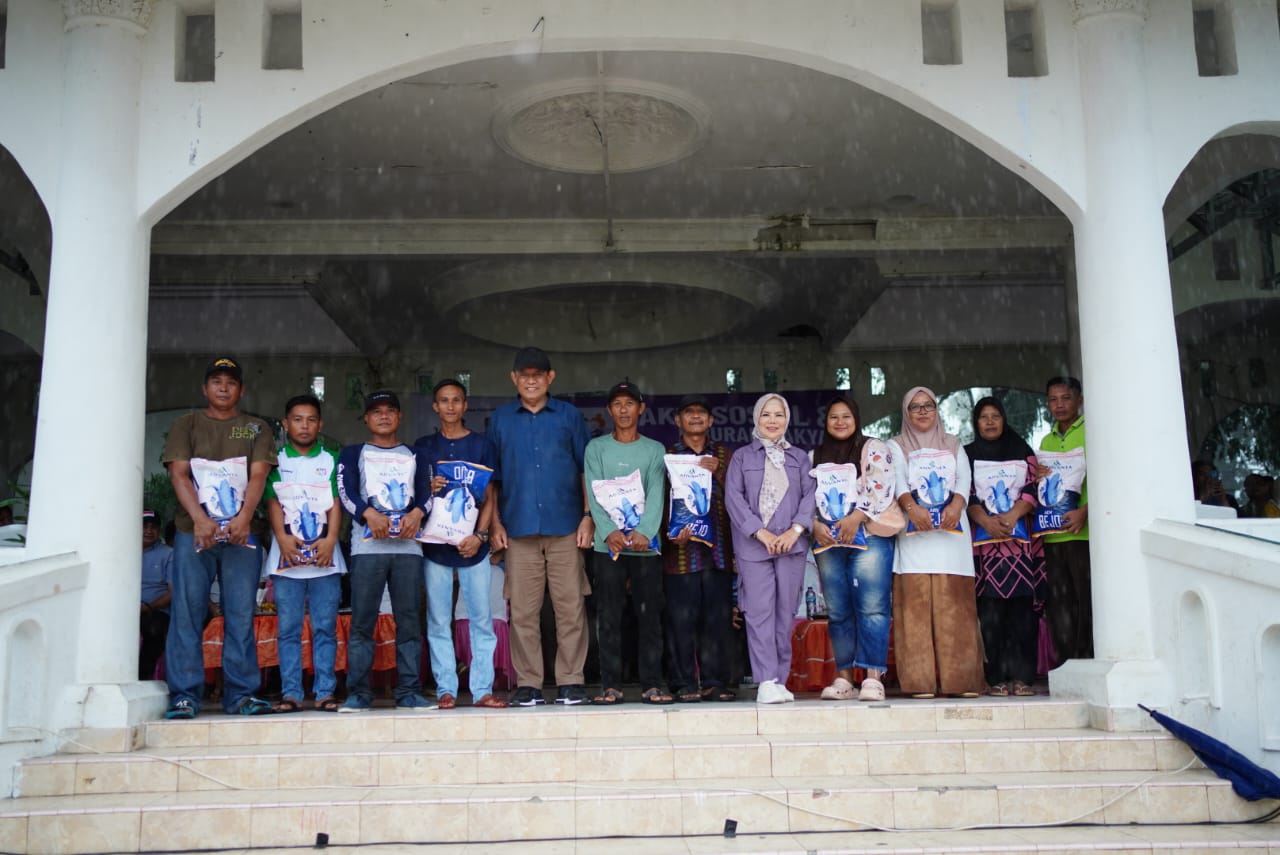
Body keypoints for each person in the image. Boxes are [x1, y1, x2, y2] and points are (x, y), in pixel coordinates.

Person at [162, 356, 276, 718]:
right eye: (216, 382)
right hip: (192, 533)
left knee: (240, 614)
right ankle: (184, 695)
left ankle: (241, 694)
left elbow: (258, 476)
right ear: (205, 388)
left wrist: (244, 519)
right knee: (187, 613)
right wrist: (199, 519)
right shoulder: (187, 424)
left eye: (230, 382)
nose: (223, 387)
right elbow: (178, 474)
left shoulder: (255, 428)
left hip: (242, 536)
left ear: (241, 389)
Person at [488, 347, 594, 707]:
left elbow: (585, 469)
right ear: (513, 378)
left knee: (570, 608)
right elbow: (493, 480)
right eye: (524, 374)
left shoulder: (568, 416)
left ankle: (571, 680)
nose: (531, 380)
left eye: (538, 374)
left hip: (565, 526)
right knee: (522, 611)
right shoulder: (501, 420)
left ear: (551, 378)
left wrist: (587, 515)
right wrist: (495, 524)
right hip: (517, 529)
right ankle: (530, 682)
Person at [414, 379, 507, 710]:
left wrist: (480, 536)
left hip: (473, 547)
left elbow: (489, 496)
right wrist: (428, 484)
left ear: (466, 406)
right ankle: (445, 689)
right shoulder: (423, 447)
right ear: (435, 407)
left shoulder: (482, 445)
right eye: (444, 400)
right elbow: (414, 496)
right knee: (438, 621)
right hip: (435, 546)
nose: (450, 406)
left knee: (481, 619)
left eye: (456, 400)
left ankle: (481, 689)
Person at [337, 390, 430, 712]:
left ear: (399, 416)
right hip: (367, 549)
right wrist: (367, 513)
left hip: (408, 550)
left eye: (391, 410)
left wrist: (418, 514)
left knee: (408, 623)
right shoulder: (352, 454)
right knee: (363, 622)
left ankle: (409, 692)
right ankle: (359, 694)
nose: (384, 416)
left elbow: (427, 494)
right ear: (366, 418)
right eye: (376, 411)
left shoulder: (416, 454)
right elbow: (345, 492)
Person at [888, 386, 984, 699]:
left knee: (955, 610)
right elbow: (898, 480)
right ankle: (919, 683)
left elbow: (964, 479)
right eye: (915, 407)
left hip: (951, 541)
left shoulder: (953, 444)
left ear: (936, 410)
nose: (923, 411)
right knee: (914, 613)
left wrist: (957, 505)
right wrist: (912, 509)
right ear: (906, 413)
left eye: (928, 405)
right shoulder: (896, 445)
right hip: (914, 540)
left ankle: (963, 680)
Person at [809, 396, 902, 703]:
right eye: (833, 416)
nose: (839, 422)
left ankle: (873, 677)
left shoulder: (873, 448)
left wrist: (855, 518)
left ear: (856, 418)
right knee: (838, 611)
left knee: (873, 607)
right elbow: (805, 498)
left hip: (869, 535)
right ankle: (845, 678)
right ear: (826, 421)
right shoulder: (815, 456)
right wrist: (813, 524)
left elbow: (882, 486)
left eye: (846, 416)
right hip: (829, 542)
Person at [725, 394, 815, 704]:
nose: (772, 420)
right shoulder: (742, 458)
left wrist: (796, 530)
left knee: (784, 614)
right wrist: (761, 533)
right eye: (766, 415)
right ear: (756, 419)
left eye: (779, 414)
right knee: (759, 613)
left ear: (787, 419)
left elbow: (809, 497)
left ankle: (780, 679)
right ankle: (765, 681)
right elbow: (733, 500)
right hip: (754, 547)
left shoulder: (800, 458)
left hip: (791, 546)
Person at [584, 381, 668, 705]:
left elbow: (657, 493)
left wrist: (645, 532)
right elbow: (593, 491)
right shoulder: (597, 450)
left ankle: (652, 683)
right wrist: (608, 532)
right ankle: (611, 685)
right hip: (609, 547)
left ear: (641, 408)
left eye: (629, 404)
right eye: (617, 404)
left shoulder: (654, 450)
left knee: (649, 616)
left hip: (646, 546)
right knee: (609, 616)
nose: (623, 409)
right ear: (609, 410)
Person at [263, 394, 346, 713]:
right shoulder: (275, 461)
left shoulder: (331, 459)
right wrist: (282, 538)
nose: (304, 425)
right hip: (287, 561)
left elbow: (336, 502)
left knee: (325, 627)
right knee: (288, 629)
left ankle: (325, 692)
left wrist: (331, 540)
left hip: (325, 560)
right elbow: (272, 501)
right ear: (286, 424)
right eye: (297, 419)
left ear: (320, 424)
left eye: (311, 419)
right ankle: (292, 693)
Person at [965, 396, 1045, 697]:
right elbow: (966, 493)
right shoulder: (968, 455)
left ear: (1004, 419)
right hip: (986, 552)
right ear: (976, 422)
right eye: (983, 417)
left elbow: (1034, 488)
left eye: (995, 416)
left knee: (1022, 615)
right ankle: (996, 677)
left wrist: (1012, 516)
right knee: (991, 615)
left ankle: (1023, 678)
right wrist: (986, 521)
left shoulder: (1022, 451)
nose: (989, 422)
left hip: (1020, 550)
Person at [662, 394, 737, 703]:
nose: (695, 417)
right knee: (680, 621)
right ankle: (682, 682)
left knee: (716, 621)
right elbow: (657, 501)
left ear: (711, 420)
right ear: (678, 420)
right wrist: (668, 533)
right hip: (678, 554)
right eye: (688, 412)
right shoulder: (665, 456)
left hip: (718, 551)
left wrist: (719, 473)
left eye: (701, 412)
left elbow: (740, 501)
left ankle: (714, 681)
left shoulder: (725, 456)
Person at [1038, 376, 1092, 663]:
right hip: (1052, 535)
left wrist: (1085, 511)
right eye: (1053, 399)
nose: (1059, 405)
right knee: (1060, 604)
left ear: (1079, 400)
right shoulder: (1046, 440)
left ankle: (1086, 662)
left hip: (1083, 534)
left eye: (1066, 398)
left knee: (1086, 602)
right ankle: (1065, 665)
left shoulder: (1092, 432)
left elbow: (1108, 479)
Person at [139, 509, 173, 681]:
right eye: (144, 526)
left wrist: (148, 607)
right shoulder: (122, 551)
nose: (149, 530)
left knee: (154, 630)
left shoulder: (168, 553)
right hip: (126, 609)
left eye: (153, 527)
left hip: (155, 610)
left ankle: (144, 679)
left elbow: (172, 592)